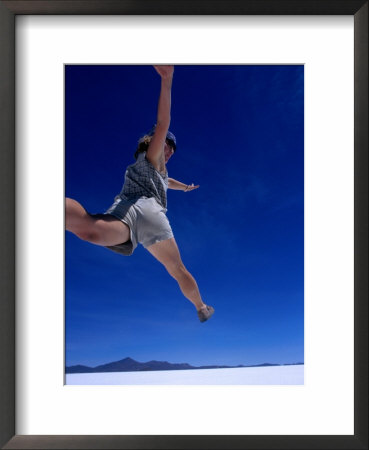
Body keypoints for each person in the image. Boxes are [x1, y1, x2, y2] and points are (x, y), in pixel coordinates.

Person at [65, 65, 214, 323]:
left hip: (139, 212)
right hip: (136, 214)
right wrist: (166, 81)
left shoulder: (159, 171)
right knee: (89, 231)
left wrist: (185, 188)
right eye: (167, 146)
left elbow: (169, 182)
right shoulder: (151, 154)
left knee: (91, 228)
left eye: (171, 152)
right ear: (153, 141)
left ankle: (201, 308)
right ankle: (200, 306)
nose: (168, 152)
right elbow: (164, 122)